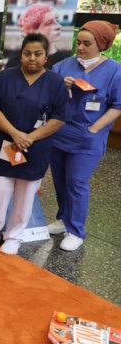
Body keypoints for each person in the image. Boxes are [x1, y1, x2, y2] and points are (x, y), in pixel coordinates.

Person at [0, 33, 68, 255]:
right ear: (21, 55)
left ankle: (14, 236)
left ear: (46, 56)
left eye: (38, 54)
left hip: (35, 149)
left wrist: (30, 137)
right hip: (4, 145)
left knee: (25, 195)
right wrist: (15, 134)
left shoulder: (55, 82)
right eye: (27, 53)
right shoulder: (6, 77)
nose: (32, 58)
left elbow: (59, 118)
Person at [48, 20, 121, 251]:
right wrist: (60, 85)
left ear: (100, 44)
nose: (80, 48)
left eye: (86, 43)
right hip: (60, 133)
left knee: (77, 181)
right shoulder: (63, 66)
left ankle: (76, 230)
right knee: (59, 180)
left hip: (88, 138)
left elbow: (117, 106)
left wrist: (94, 128)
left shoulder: (114, 71)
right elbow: (48, 96)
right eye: (78, 42)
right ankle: (63, 219)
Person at [5, 3, 71, 69]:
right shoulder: (15, 62)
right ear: (32, 30)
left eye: (57, 21)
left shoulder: (67, 62)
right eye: (49, 23)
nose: (59, 26)